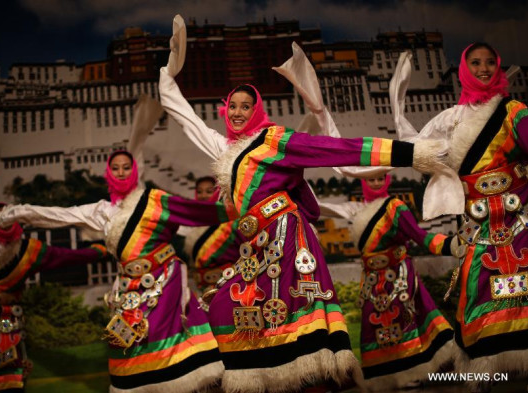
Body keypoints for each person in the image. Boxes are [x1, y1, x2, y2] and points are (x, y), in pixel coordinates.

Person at [159, 14, 447, 393]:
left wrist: (411, 154)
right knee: (231, 312)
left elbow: (338, 149)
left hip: (287, 240)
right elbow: (187, 119)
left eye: (247, 105)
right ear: (224, 109)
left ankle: (320, 381)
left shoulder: (276, 140)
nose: (239, 112)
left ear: (257, 109)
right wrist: (168, 78)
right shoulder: (224, 151)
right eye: (233, 105)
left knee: (293, 318)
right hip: (254, 249)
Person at [0, 97, 237, 393]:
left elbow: (196, 211)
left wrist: (238, 204)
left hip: (163, 281)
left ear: (134, 171)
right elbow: (58, 215)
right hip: (128, 289)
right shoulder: (101, 211)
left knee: (173, 351)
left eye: (126, 167)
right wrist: (16, 213)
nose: (121, 172)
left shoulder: (152, 201)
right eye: (116, 168)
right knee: (132, 349)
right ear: (109, 173)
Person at [393, 43, 528, 392]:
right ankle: (487, 374)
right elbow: (419, 148)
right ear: (464, 70)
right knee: (478, 292)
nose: (483, 69)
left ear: (498, 68)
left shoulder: (515, 112)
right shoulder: (449, 119)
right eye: (475, 63)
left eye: (489, 63)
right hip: (479, 226)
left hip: (519, 223)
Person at [0, 204, 107, 393]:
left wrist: (98, 251)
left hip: (10, 315)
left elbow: (66, 256)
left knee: (11, 367)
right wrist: (98, 250)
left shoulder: (31, 251)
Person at [341, 174, 456, 391]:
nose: (375, 182)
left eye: (379, 178)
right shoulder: (359, 211)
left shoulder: (396, 207)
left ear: (387, 180)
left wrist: (449, 244)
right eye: (371, 179)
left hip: (397, 277)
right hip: (372, 281)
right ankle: (383, 378)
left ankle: (410, 373)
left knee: (403, 322)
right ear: (363, 182)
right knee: (373, 327)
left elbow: (419, 235)